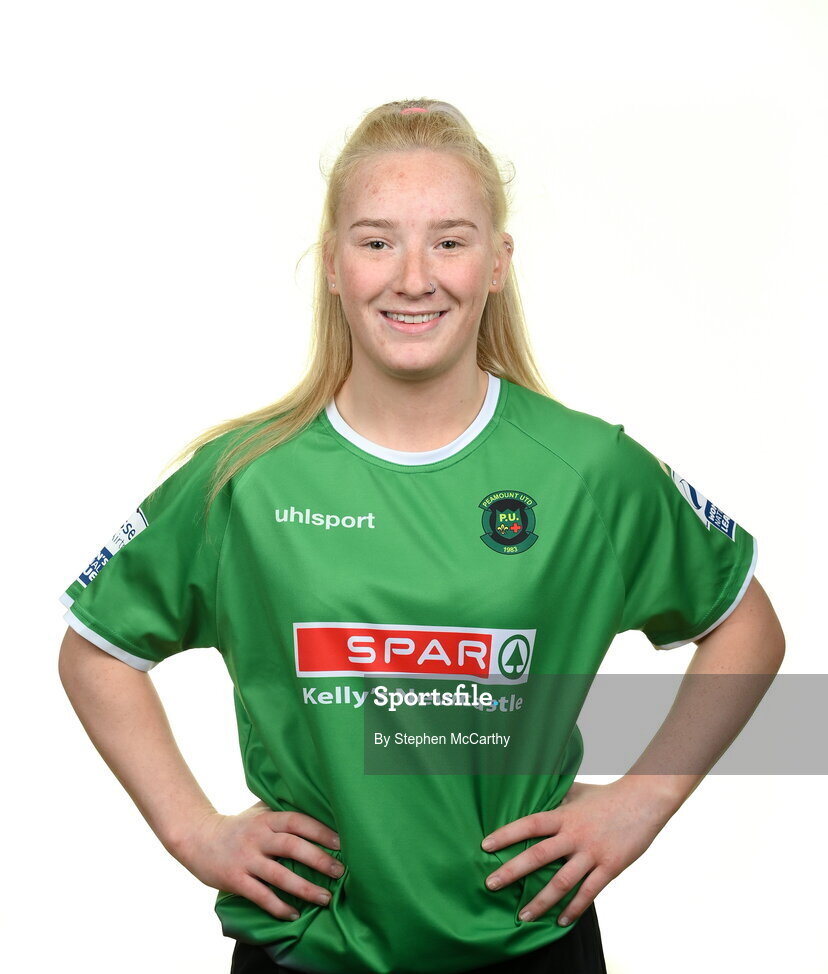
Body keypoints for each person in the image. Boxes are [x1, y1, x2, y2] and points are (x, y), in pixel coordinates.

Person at [58, 98, 785, 974]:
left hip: (530, 945)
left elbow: (747, 625)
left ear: (497, 264)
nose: (413, 276)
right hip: (307, 952)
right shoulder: (243, 479)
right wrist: (193, 829)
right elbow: (94, 651)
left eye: (449, 240)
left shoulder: (588, 469)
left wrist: (644, 797)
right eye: (376, 241)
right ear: (332, 265)